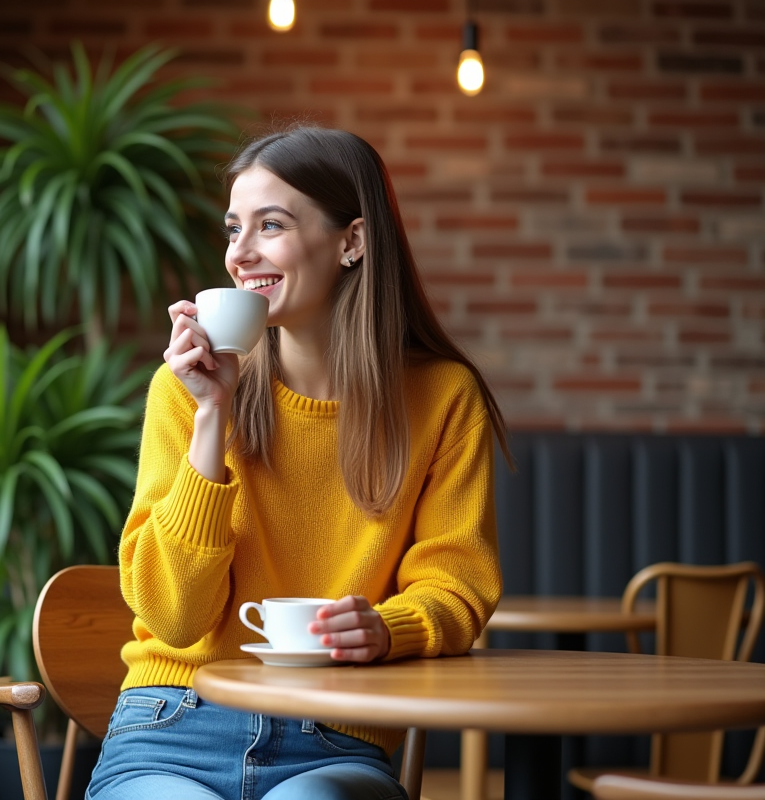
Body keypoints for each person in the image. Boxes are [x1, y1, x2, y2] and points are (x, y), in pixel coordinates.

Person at [85, 127, 512, 800]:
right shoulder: (184, 391)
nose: (239, 253)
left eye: (271, 225)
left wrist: (386, 628)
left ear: (353, 242)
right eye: (233, 229)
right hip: (171, 724)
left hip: (336, 736)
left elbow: (458, 584)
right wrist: (212, 418)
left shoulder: (442, 398)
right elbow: (174, 619)